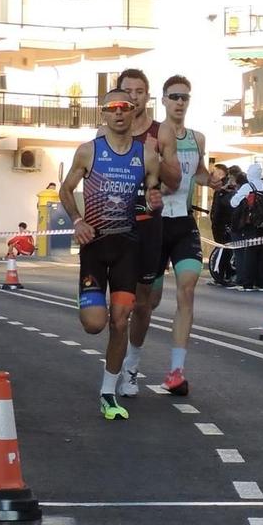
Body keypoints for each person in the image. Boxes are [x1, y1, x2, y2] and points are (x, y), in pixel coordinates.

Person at [61, 86, 165, 421]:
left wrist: (154, 203)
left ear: (135, 111)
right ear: (103, 113)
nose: (119, 113)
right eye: (112, 108)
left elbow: (151, 196)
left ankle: (108, 392)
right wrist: (77, 220)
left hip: (127, 247)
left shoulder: (147, 155)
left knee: (121, 321)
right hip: (94, 246)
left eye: (125, 107)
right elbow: (65, 189)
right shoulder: (88, 151)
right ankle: (94, 313)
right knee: (95, 324)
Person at [120, 75, 207, 397]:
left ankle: (176, 371)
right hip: (152, 223)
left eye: (185, 97)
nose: (180, 102)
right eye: (174, 96)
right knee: (146, 303)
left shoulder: (197, 138)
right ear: (164, 99)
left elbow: (199, 173)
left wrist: (217, 180)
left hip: (182, 222)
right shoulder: (150, 134)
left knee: (187, 289)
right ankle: (131, 364)